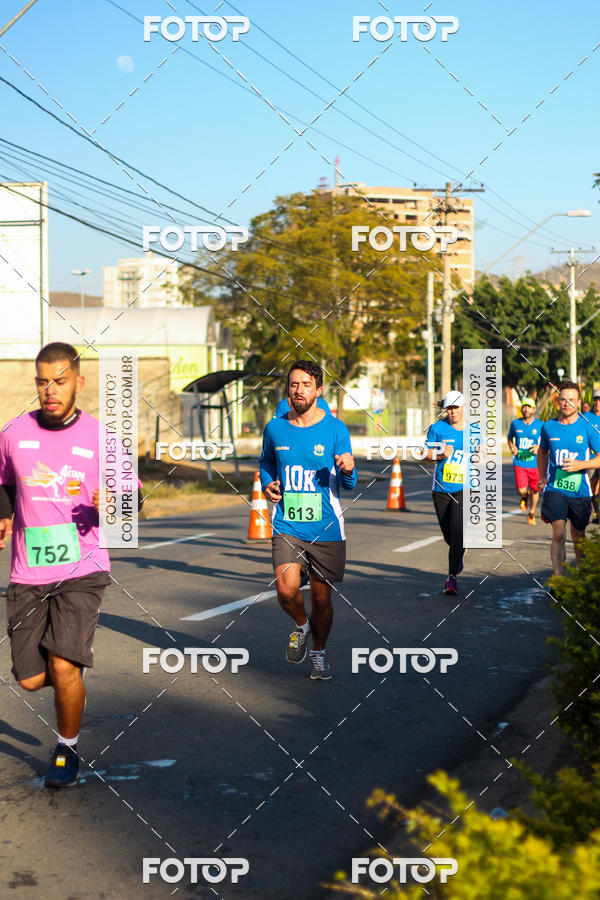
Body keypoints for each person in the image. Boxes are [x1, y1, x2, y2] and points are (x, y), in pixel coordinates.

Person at [0, 342, 142, 788]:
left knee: (64, 665)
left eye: (59, 381)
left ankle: (67, 748)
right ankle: (68, 682)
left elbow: (134, 496)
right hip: (28, 571)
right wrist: (3, 514)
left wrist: (115, 501)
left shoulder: (102, 437)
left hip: (83, 567)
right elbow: (3, 483)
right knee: (30, 679)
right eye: (43, 381)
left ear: (78, 382)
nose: (50, 390)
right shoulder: (13, 432)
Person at [260, 360, 357, 680]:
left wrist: (348, 469)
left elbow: (349, 483)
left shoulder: (336, 430)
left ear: (319, 390)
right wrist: (267, 484)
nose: (298, 390)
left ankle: (318, 653)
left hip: (326, 527)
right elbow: (266, 463)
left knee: (321, 598)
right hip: (287, 523)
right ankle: (301, 627)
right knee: (285, 590)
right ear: (287, 389)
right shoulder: (275, 428)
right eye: (293, 384)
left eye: (305, 384)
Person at [537, 381, 600, 576]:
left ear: (578, 402)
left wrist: (581, 465)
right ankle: (558, 579)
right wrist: (542, 476)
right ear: (558, 402)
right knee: (559, 532)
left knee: (578, 535)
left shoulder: (587, 427)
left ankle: (582, 575)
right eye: (563, 399)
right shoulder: (548, 427)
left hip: (580, 490)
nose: (567, 403)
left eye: (571, 400)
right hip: (555, 488)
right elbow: (542, 452)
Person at [425, 391, 465, 596]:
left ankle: (451, 579)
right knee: (449, 535)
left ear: (463, 408)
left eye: (456, 408)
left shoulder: (473, 430)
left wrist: (479, 457)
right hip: (441, 489)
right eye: (449, 408)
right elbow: (425, 453)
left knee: (457, 531)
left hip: (465, 488)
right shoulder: (437, 428)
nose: (453, 412)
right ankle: (459, 551)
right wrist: (440, 454)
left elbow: (484, 453)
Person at [507, 397, 543, 524]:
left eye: (528, 407)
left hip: (535, 463)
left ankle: (531, 513)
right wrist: (512, 447)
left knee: (535, 490)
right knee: (521, 490)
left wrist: (539, 447)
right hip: (520, 462)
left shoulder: (540, 425)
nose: (526, 409)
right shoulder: (515, 424)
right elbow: (510, 437)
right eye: (524, 407)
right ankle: (524, 496)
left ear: (533, 409)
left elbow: (546, 441)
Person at [583, 389, 600, 523]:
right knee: (592, 489)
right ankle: (596, 513)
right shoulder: (585, 417)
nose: (598, 402)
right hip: (593, 459)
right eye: (596, 400)